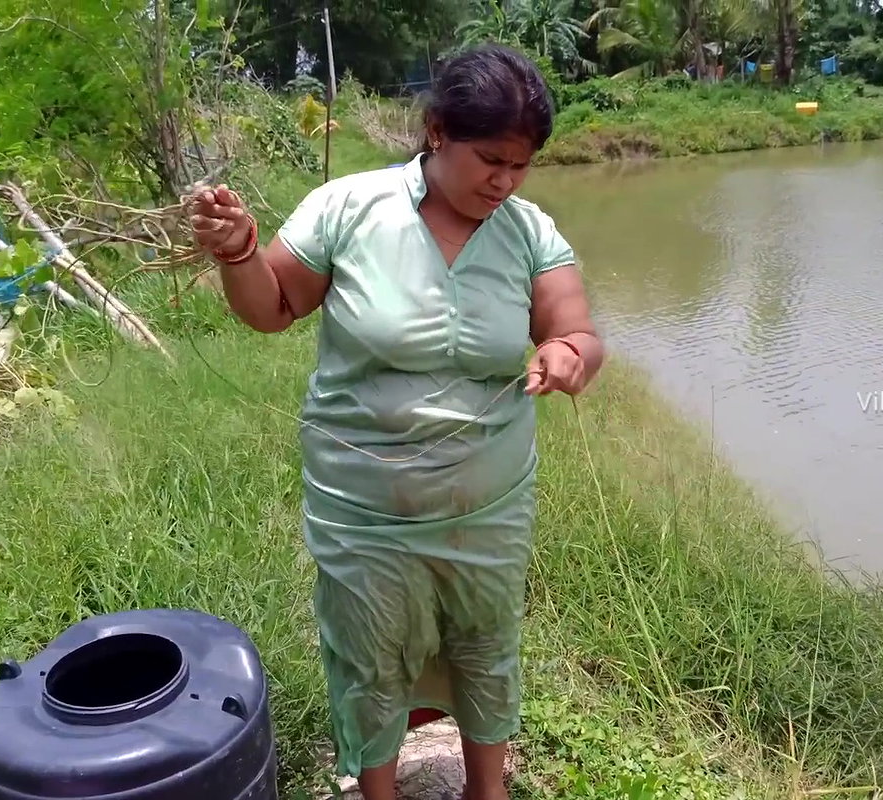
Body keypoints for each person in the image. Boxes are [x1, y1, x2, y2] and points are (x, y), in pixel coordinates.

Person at [187, 43, 604, 800]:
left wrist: (569, 354)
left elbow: (575, 329)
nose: (505, 182)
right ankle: (377, 791)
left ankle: (488, 790)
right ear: (438, 130)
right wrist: (240, 251)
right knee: (370, 655)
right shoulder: (348, 209)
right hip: (364, 509)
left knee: (486, 644)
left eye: (522, 164)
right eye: (491, 160)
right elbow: (271, 308)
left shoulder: (529, 231)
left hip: (488, 508)